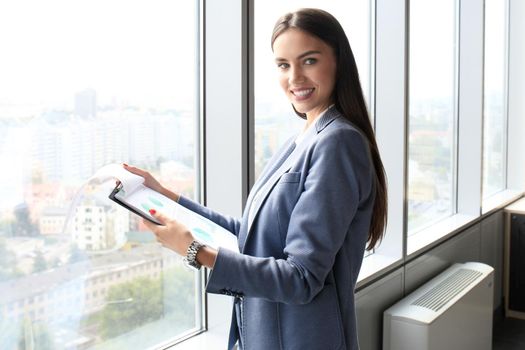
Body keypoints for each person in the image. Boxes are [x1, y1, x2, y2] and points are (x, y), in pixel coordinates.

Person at [124, 8, 387, 350]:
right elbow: (252, 235)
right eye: (283, 65)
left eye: (308, 61)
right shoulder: (303, 138)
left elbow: (301, 278)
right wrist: (165, 197)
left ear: (338, 61)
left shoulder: (338, 143)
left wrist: (195, 251)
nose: (294, 77)